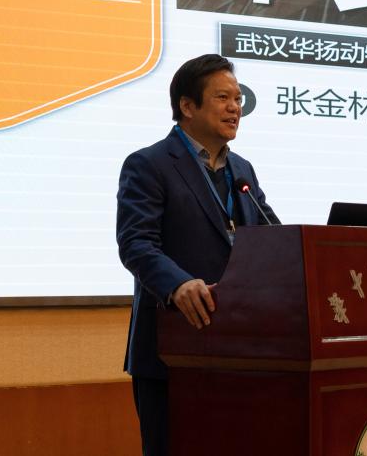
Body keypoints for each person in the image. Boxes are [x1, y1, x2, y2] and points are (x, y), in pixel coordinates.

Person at [116, 54, 278, 456]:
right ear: (187, 106)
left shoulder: (242, 170)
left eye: (238, 99)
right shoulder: (149, 164)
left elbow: (273, 240)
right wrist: (178, 285)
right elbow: (136, 243)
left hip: (238, 352)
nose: (235, 108)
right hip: (173, 349)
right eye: (223, 98)